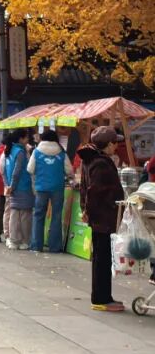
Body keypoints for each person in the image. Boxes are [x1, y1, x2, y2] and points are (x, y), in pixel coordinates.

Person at [79, 127, 127, 311]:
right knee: (102, 259)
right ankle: (101, 299)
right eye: (115, 143)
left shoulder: (91, 159)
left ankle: (104, 297)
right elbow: (94, 191)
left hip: (100, 216)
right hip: (103, 217)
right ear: (108, 144)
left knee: (102, 258)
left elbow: (85, 189)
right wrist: (87, 210)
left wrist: (86, 210)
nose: (116, 146)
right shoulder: (100, 163)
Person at [27, 129, 73, 253]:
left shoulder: (36, 152)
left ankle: (36, 246)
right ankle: (55, 247)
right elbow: (69, 170)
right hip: (57, 187)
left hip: (41, 187)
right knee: (56, 216)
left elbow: (30, 169)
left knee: (38, 215)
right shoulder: (62, 153)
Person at [3, 129, 34, 250]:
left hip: (13, 188)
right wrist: (13, 186)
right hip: (22, 187)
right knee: (25, 216)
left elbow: (5, 170)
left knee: (14, 215)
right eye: (26, 137)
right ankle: (25, 241)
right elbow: (17, 171)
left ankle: (13, 240)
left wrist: (8, 186)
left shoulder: (9, 150)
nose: (28, 140)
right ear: (20, 139)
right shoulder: (20, 152)